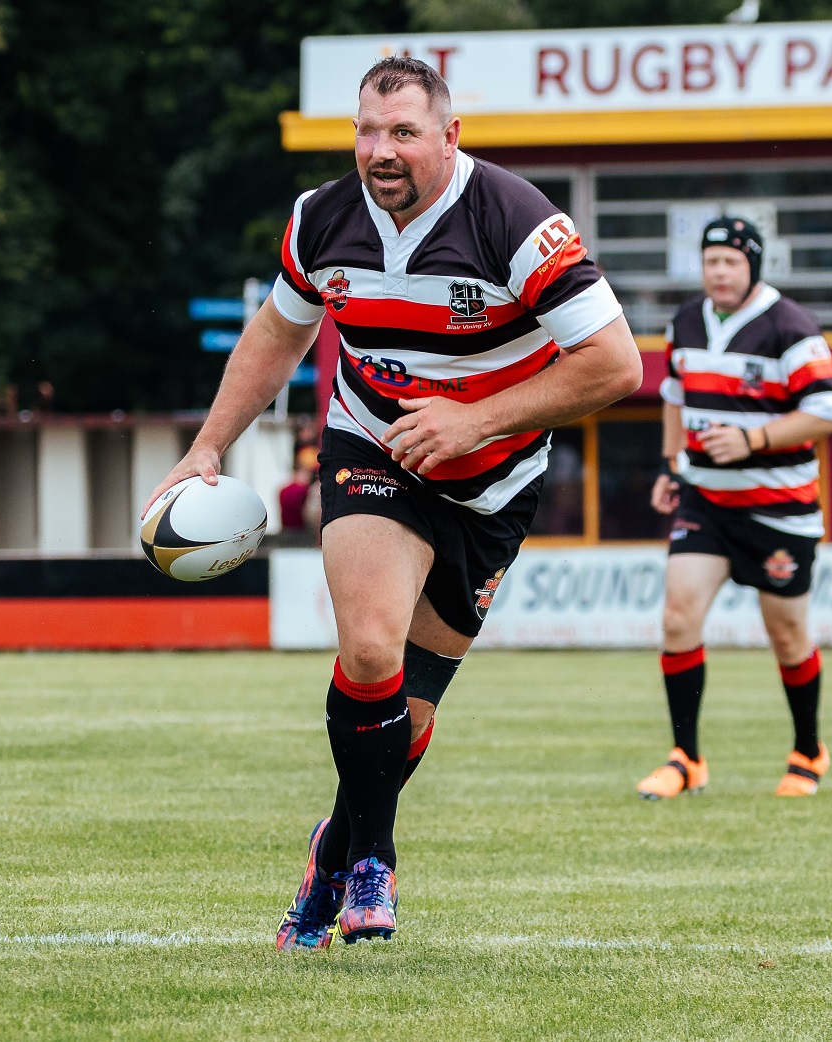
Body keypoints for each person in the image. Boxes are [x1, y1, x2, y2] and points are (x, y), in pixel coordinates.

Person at [145, 56, 641, 949]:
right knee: (370, 649)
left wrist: (473, 420)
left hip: (495, 483)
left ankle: (333, 853)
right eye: (368, 131)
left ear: (450, 138)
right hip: (373, 447)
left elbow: (615, 364)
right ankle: (376, 858)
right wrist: (207, 445)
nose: (381, 150)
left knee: (407, 715)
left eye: (404, 132)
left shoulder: (518, 222)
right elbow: (278, 333)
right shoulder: (318, 220)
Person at [641, 217, 832, 801]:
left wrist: (754, 440)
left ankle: (809, 750)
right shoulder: (684, 321)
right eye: (711, 261)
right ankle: (687, 758)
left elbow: (830, 412)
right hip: (705, 501)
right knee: (678, 617)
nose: (720, 272)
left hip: (779, 511)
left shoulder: (792, 327)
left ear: (754, 265)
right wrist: (669, 464)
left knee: (787, 637)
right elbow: (674, 398)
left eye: (731, 262)